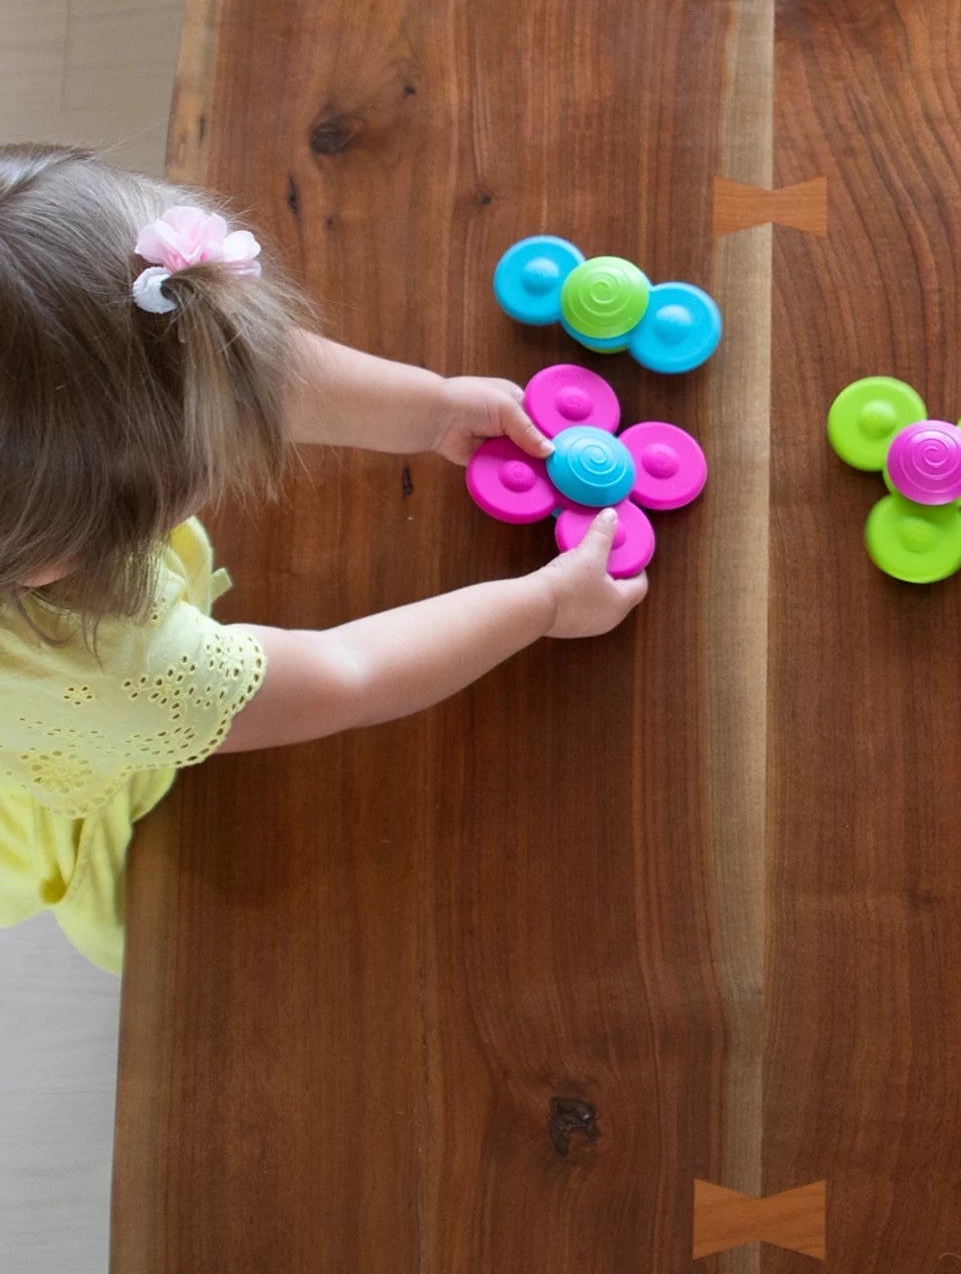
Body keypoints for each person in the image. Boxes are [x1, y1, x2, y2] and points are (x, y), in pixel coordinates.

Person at [0, 144, 647, 974]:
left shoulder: (42, 480)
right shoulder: (115, 671)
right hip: (61, 758)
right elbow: (345, 672)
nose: (245, 427)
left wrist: (433, 408)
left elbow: (245, 374)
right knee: (178, 944)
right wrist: (544, 605)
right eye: (216, 453)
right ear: (68, 552)